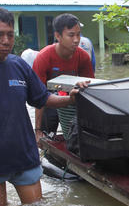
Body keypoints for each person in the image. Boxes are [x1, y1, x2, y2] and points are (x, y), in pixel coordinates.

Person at [0, 7, 89, 206]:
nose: (6, 41)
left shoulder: (19, 65)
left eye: (10, 35)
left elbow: (42, 99)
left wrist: (70, 99)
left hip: (24, 154)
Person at [33, 13, 94, 141]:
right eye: (71, 35)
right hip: (49, 101)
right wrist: (37, 130)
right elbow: (38, 97)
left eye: (78, 34)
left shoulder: (82, 57)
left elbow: (90, 88)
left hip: (71, 100)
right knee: (46, 136)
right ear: (58, 36)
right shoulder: (44, 57)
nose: (76, 39)